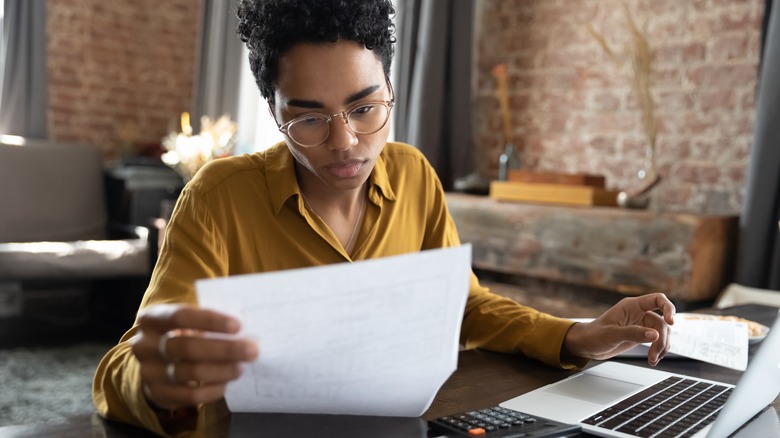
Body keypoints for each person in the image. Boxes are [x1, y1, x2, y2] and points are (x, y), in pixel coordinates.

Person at [92, 0, 675, 435]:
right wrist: (157, 383)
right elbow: (124, 364)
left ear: (392, 91)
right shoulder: (218, 197)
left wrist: (576, 335)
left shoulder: (415, 175)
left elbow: (465, 306)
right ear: (273, 115)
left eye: (365, 107)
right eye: (309, 119)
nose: (345, 142)